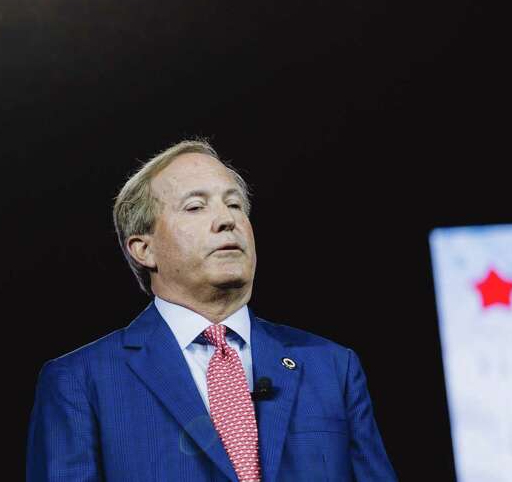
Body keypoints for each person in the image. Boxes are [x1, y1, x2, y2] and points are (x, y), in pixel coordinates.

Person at [26, 139, 397, 481]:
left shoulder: (332, 367)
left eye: (234, 204)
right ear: (143, 248)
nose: (226, 220)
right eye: (195, 206)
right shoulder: (80, 382)